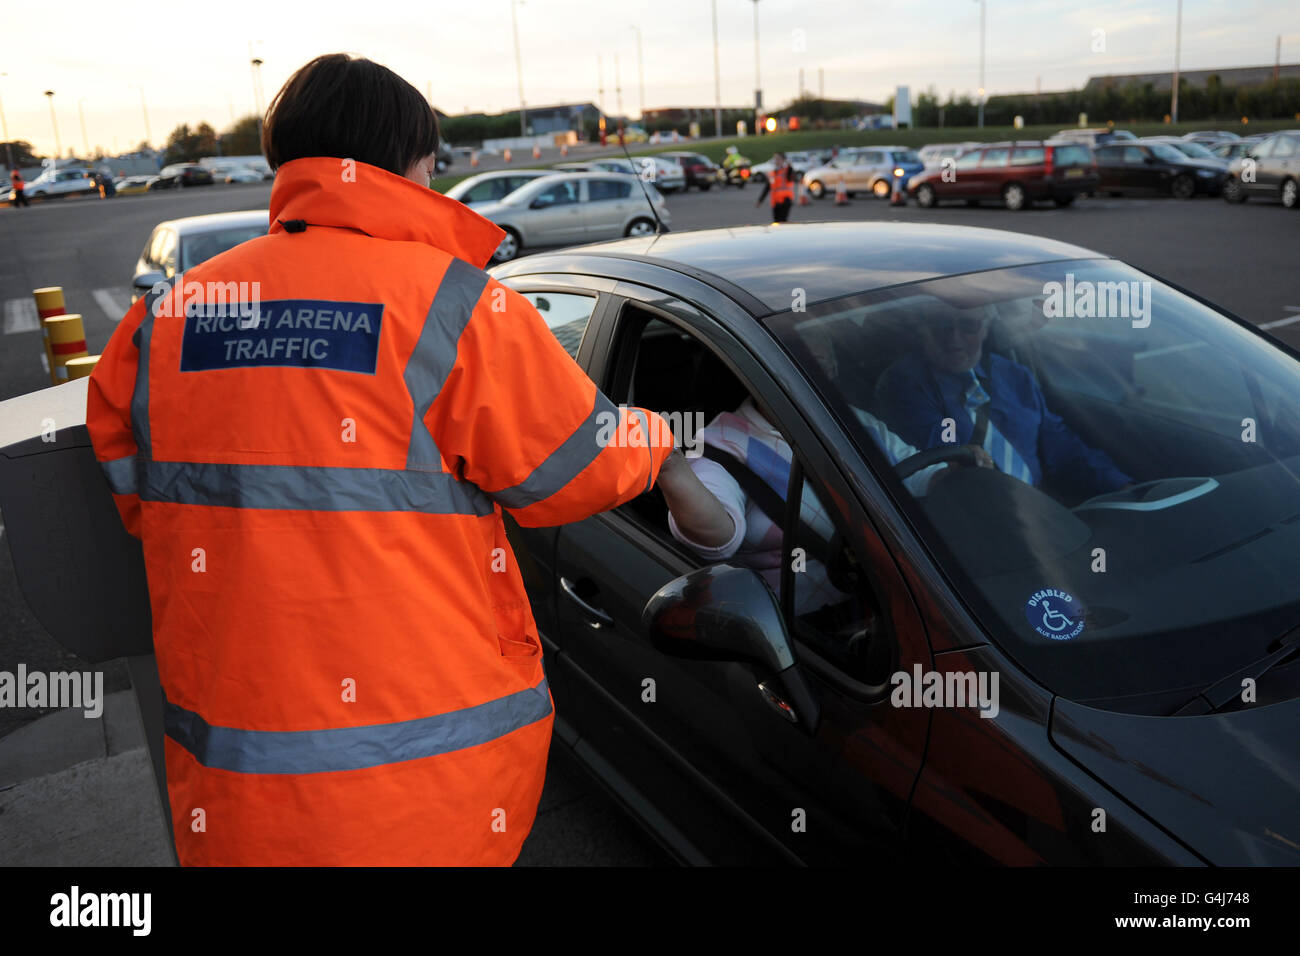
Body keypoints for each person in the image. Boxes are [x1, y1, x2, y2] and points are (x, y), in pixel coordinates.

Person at [85, 53, 675, 867]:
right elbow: (580, 469)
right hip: (426, 794)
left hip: (236, 794)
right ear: (414, 163)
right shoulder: (458, 307)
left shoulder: (168, 320)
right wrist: (663, 437)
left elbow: (139, 492)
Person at [657, 394, 989, 614]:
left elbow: (910, 470)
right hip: (805, 640)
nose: (820, 359)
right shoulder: (719, 447)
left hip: (888, 606)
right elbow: (716, 537)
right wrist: (670, 465)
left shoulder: (851, 419)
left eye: (824, 352)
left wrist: (950, 476)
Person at [875, 308, 1131, 498]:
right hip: (976, 515)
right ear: (923, 330)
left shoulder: (1014, 375)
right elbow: (943, 463)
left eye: (968, 326)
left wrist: (1120, 486)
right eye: (941, 325)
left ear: (985, 329)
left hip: (1042, 508)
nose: (954, 338)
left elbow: (1061, 445)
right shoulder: (903, 385)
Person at [756, 151, 795, 222]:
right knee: (776, 222)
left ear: (783, 160)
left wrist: (789, 165)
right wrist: (760, 200)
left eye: (778, 159)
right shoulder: (772, 173)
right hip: (775, 201)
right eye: (775, 159)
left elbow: (791, 174)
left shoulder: (787, 170)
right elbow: (767, 188)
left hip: (785, 200)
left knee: (783, 221)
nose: (776, 161)